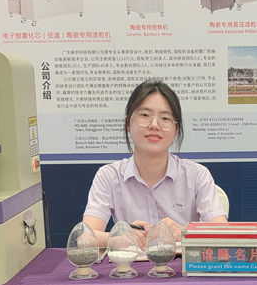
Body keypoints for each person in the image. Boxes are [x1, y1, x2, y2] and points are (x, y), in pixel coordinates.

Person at [83, 80, 227, 247]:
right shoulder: (109, 176)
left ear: (176, 129)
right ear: (128, 123)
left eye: (165, 118)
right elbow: (85, 238)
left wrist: (184, 232)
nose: (154, 125)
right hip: (131, 263)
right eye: (145, 115)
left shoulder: (197, 176)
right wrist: (121, 237)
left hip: (181, 263)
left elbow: (223, 234)